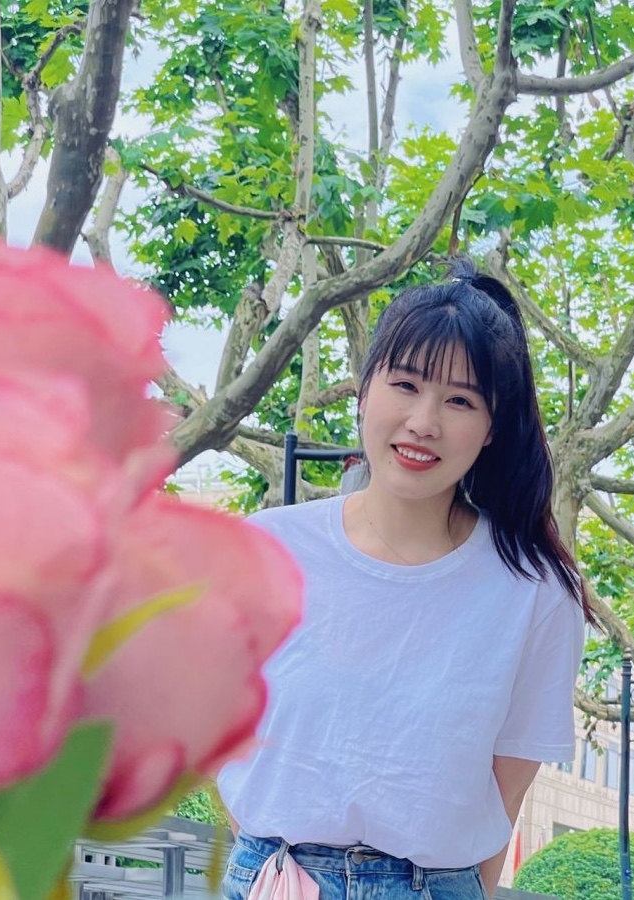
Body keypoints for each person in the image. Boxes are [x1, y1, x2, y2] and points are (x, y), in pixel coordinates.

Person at [217, 257, 593, 900]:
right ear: (365, 391)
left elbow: (506, 791)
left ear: (492, 427)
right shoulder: (266, 548)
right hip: (275, 878)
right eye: (405, 384)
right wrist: (271, 864)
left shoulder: (533, 592)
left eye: (460, 400)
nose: (424, 421)